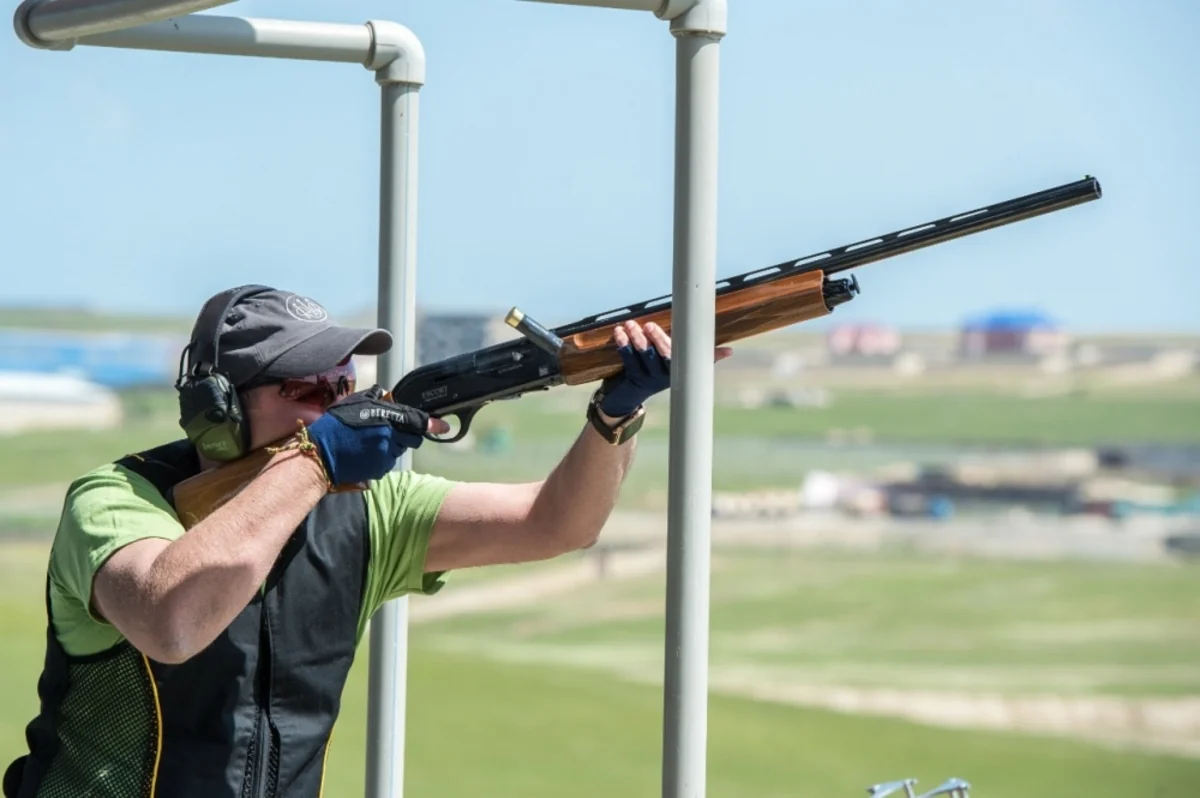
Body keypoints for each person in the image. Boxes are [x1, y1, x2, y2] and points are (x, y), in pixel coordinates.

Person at [4, 283, 732, 798]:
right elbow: (171, 619)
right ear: (217, 408)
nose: (340, 403)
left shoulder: (364, 508)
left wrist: (613, 416)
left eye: (344, 382)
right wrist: (317, 461)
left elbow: (558, 523)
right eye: (310, 388)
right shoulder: (117, 502)